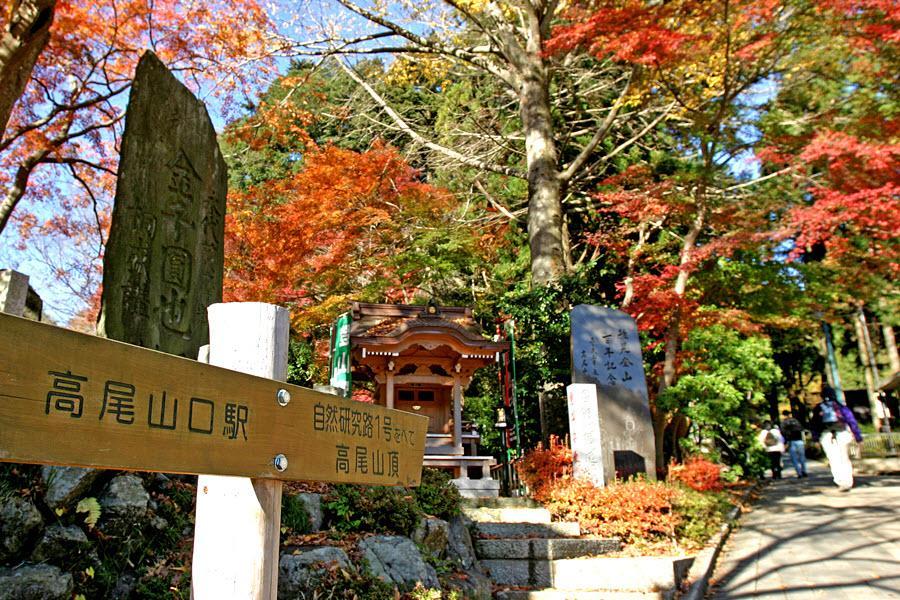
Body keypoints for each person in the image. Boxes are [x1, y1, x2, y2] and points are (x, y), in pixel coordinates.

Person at [810, 387, 863, 491]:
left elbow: (814, 425)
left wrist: (815, 438)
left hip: (826, 435)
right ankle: (848, 481)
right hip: (842, 433)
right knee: (844, 457)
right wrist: (858, 437)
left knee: (833, 458)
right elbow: (851, 421)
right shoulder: (840, 407)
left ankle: (840, 481)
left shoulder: (818, 408)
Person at [781, 410, 808, 478]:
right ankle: (804, 471)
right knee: (802, 457)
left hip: (791, 442)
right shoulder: (795, 421)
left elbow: (783, 433)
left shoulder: (784, 423)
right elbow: (802, 429)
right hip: (799, 440)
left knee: (794, 458)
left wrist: (785, 442)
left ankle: (799, 473)